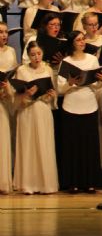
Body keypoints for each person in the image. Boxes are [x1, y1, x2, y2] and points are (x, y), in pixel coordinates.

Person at [57, 30, 102, 193]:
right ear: (72, 43)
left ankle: (90, 182)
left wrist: (100, 80)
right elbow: (60, 89)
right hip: (71, 105)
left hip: (89, 104)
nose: (82, 42)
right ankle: (73, 182)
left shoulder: (92, 59)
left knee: (89, 145)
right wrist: (70, 83)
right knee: (72, 146)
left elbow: (97, 85)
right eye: (78, 40)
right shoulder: (66, 61)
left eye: (83, 39)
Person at [13, 41, 59, 194]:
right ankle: (28, 184)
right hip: (27, 111)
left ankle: (45, 184)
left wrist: (52, 95)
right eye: (33, 55)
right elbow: (17, 96)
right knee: (28, 145)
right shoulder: (22, 70)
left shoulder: (48, 69)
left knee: (44, 145)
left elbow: (53, 92)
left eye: (39, 54)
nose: (36, 57)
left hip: (43, 110)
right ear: (28, 55)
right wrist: (27, 94)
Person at [0, 22, 15, 192]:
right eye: (0, 32)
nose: (4, 35)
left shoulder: (11, 51)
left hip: (6, 98)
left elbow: (13, 75)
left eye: (6, 32)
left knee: (4, 137)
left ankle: (3, 180)